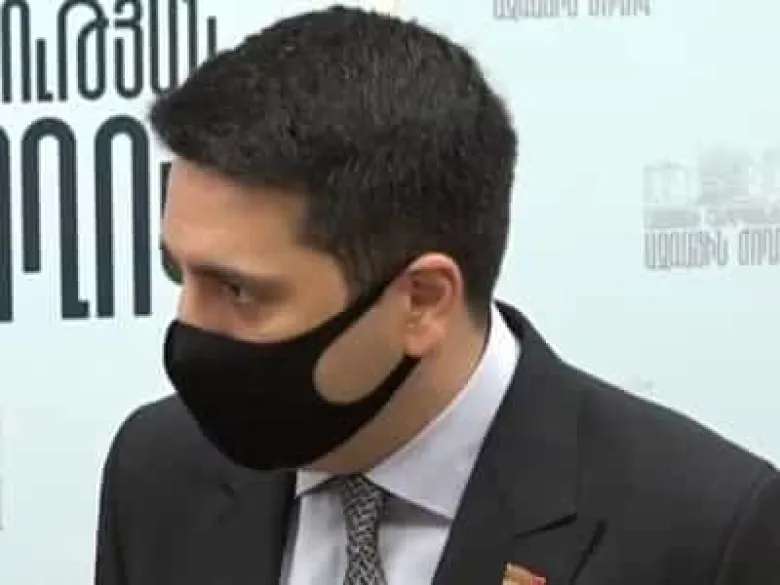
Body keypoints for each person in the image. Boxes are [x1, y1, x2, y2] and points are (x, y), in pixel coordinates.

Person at [94, 6, 780, 585]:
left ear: (421, 299)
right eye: (179, 273)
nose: (189, 328)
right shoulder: (158, 471)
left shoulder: (707, 533)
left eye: (238, 290)